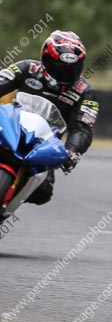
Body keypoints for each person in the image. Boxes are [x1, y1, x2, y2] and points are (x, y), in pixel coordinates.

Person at [0, 30, 99, 204]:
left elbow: (82, 128)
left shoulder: (85, 92)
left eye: (72, 69)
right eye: (59, 67)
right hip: (10, 126)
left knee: (43, 191)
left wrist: (73, 151)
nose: (65, 74)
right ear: (45, 60)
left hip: (43, 144)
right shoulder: (26, 68)